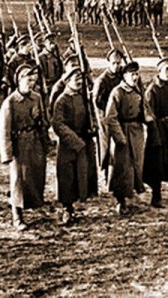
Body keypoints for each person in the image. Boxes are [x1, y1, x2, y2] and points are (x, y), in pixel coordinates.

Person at [0, 63, 50, 230]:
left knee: (34, 176)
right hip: (19, 144)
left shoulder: (37, 98)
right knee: (18, 180)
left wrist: (44, 138)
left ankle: (33, 203)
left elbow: (44, 121)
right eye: (28, 80)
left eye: (33, 80)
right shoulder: (10, 102)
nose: (31, 83)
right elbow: (3, 129)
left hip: (35, 141)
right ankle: (17, 215)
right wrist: (7, 154)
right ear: (19, 80)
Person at [52, 68, 94, 224]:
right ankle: (67, 208)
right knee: (67, 176)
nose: (79, 82)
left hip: (83, 140)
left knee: (80, 174)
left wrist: (92, 128)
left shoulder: (83, 98)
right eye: (76, 79)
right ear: (68, 81)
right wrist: (74, 140)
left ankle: (78, 202)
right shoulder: (62, 100)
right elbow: (57, 124)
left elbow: (90, 115)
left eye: (80, 79)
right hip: (68, 144)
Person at [105, 61, 146, 214]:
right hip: (123, 131)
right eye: (132, 74)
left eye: (137, 74)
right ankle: (120, 200)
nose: (135, 77)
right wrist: (119, 137)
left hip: (136, 132)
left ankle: (131, 195)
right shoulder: (118, 92)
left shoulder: (138, 90)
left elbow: (144, 109)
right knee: (121, 167)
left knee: (136, 165)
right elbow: (110, 117)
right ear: (124, 76)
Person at [143, 57, 168, 208]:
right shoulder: (152, 90)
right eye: (167, 69)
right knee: (157, 163)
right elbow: (150, 114)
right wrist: (156, 132)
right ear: (159, 71)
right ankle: (156, 196)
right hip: (158, 131)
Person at [93, 48, 125, 172]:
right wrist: (111, 107)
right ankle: (106, 171)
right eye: (114, 63)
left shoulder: (121, 76)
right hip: (106, 117)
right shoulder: (102, 80)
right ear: (108, 63)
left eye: (119, 63)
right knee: (107, 147)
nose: (116, 66)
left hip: (119, 116)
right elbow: (97, 101)